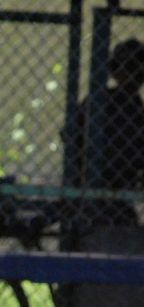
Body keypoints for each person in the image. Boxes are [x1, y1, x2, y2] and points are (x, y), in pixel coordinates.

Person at [62, 38, 144, 231]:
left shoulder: (135, 110)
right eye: (128, 67)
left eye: (136, 69)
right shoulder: (100, 100)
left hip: (118, 184)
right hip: (91, 180)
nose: (132, 76)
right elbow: (69, 135)